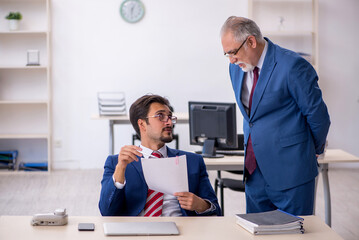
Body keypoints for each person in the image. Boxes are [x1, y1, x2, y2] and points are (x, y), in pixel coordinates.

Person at [220, 16, 330, 215]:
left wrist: (311, 149)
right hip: (254, 171)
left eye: (233, 52)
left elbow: (318, 115)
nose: (231, 60)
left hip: (292, 171)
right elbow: (253, 117)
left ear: (251, 41)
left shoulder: (292, 65)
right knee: (257, 231)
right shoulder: (235, 68)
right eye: (226, 54)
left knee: (294, 232)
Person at [99, 94, 221, 216]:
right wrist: (120, 169)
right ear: (142, 124)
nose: (169, 122)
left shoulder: (193, 161)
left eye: (170, 117)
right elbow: (107, 212)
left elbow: (216, 211)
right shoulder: (117, 163)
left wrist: (200, 205)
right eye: (160, 116)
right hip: (138, 230)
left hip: (180, 229)